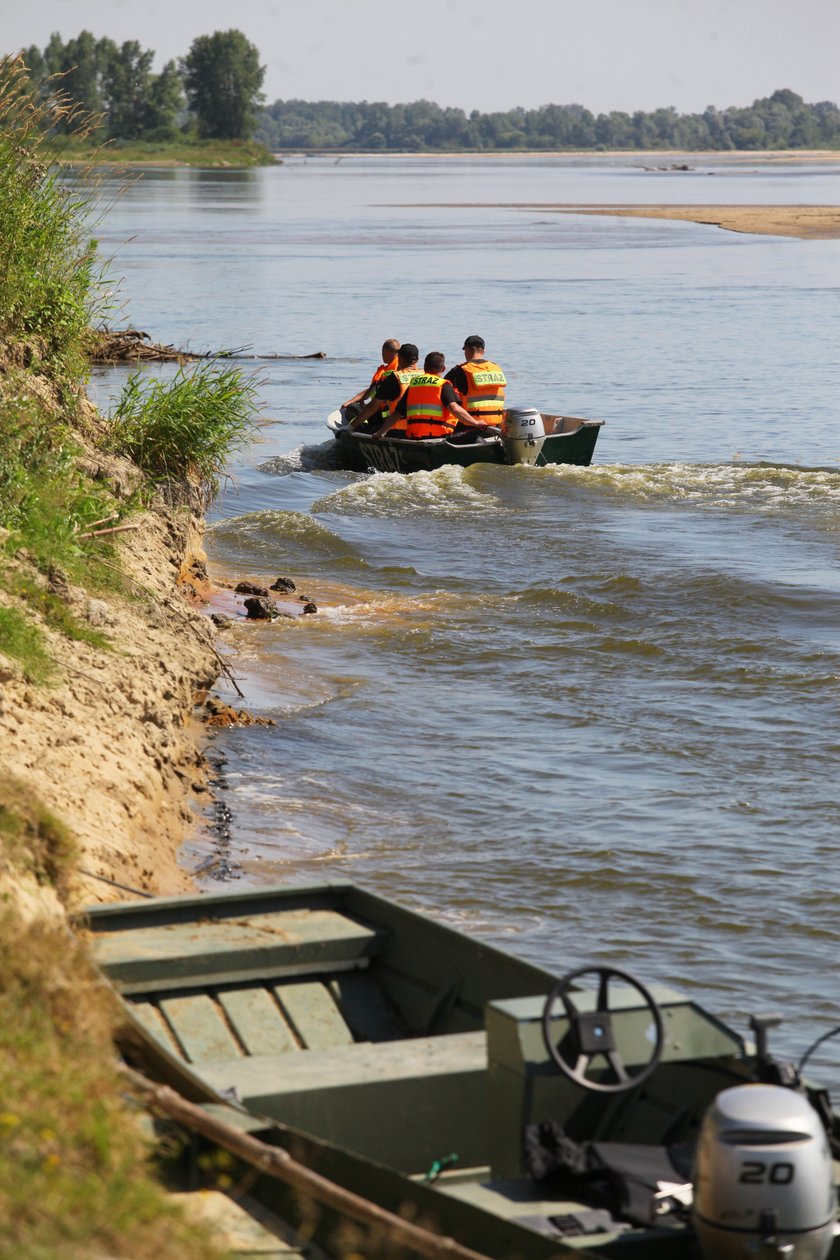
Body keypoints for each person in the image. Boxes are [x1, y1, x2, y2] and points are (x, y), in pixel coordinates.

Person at [376, 351, 495, 440]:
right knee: (474, 438)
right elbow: (454, 409)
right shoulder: (442, 385)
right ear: (443, 369)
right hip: (438, 438)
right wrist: (476, 422)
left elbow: (398, 413)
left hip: (414, 437)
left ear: (425, 367)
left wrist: (381, 432)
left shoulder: (413, 385)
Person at [348, 343, 420, 433]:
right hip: (421, 429)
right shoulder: (424, 375)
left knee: (353, 410)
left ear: (399, 358)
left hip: (397, 430)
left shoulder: (395, 378)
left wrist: (350, 427)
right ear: (417, 359)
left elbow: (373, 406)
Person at [445, 334, 507, 425]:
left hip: (472, 425)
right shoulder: (496, 368)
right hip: (496, 425)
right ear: (483, 351)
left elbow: (443, 391)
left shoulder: (460, 370)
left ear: (466, 350)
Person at [343, 338, 400, 409]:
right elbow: (374, 388)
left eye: (382, 352)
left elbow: (376, 389)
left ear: (388, 352)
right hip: (379, 408)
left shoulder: (395, 369)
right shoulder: (397, 367)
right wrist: (355, 400)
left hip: (384, 412)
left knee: (352, 408)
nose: (382, 354)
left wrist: (351, 402)